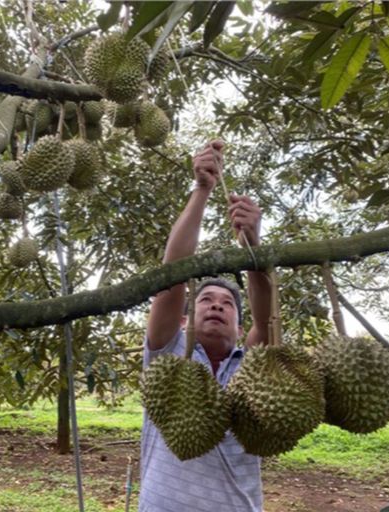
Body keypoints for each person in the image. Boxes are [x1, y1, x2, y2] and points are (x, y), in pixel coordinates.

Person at [139, 140, 272, 512]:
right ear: (186, 320)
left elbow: (266, 319)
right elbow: (172, 279)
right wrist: (202, 190)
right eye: (206, 300)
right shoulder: (167, 357)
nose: (217, 305)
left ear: (239, 325)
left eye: (228, 304)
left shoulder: (254, 369)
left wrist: (253, 246)